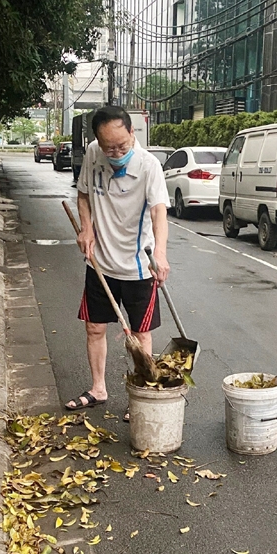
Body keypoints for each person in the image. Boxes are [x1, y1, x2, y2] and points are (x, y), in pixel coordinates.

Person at [65, 105, 170, 418]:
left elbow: (158, 212)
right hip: (99, 263)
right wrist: (86, 227)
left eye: (122, 146)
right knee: (94, 328)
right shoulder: (95, 154)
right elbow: (83, 194)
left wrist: (161, 252)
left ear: (132, 133)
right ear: (97, 140)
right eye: (109, 147)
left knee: (140, 335)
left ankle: (141, 394)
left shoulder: (149, 165)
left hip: (139, 266)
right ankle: (98, 388)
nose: (115, 152)